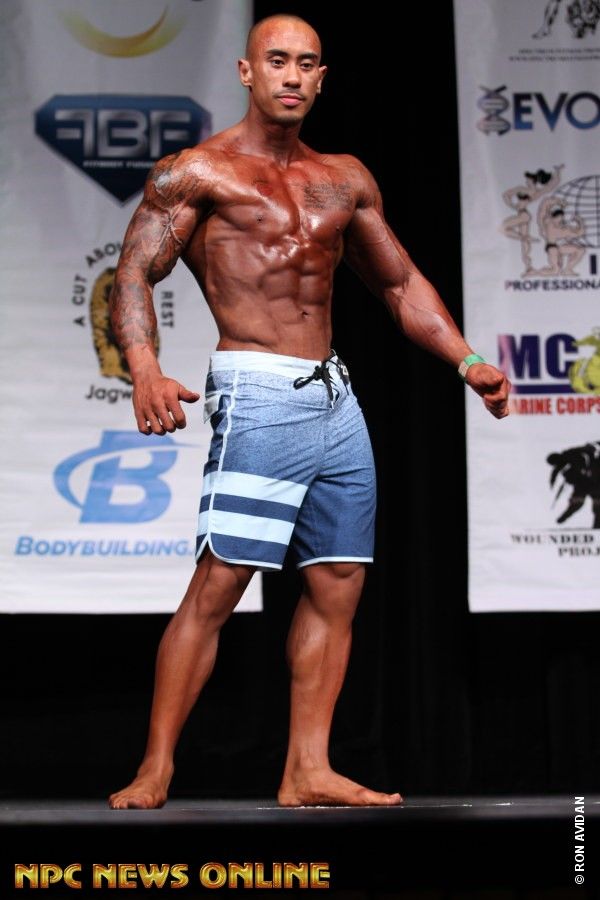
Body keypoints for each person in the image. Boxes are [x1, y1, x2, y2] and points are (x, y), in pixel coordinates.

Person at [107, 13, 510, 810]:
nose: (292, 76)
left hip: (333, 394)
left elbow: (398, 283)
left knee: (339, 581)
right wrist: (144, 368)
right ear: (246, 71)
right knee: (221, 583)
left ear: (322, 79)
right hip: (256, 388)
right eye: (277, 61)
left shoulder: (344, 178)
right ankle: (156, 768)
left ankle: (308, 768)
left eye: (307, 64)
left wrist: (466, 361)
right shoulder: (199, 172)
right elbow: (132, 274)